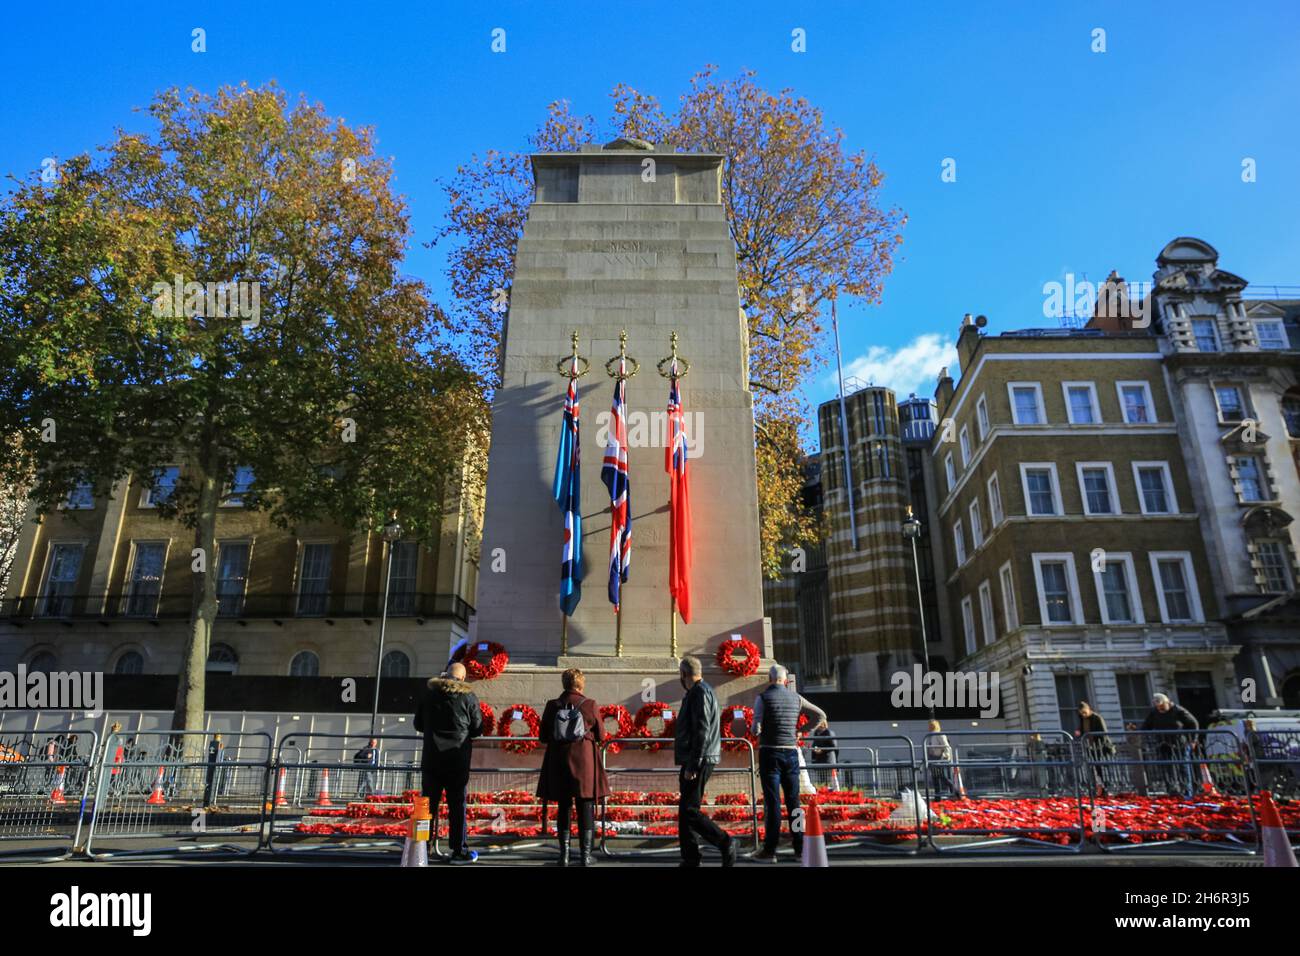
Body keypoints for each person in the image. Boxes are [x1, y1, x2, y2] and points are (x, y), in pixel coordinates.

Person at [750, 664, 829, 862]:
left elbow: (756, 727)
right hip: (791, 753)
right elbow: (820, 715)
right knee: (794, 803)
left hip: (770, 752)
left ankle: (769, 850)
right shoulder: (796, 698)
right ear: (785, 680)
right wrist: (802, 730)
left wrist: (756, 730)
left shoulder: (763, 698)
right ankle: (799, 848)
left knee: (773, 803)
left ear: (769, 679)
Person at [537, 668, 611, 866]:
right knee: (585, 805)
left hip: (558, 760)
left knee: (564, 806)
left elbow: (543, 736)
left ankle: (564, 855)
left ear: (564, 683)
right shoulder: (590, 704)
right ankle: (586, 856)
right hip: (584, 761)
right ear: (580, 684)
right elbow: (602, 736)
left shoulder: (553, 705)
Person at [413, 661, 483, 864]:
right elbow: (478, 728)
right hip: (457, 760)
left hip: (431, 759)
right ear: (462, 678)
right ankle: (458, 850)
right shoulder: (468, 696)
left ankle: (421, 849)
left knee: (427, 806)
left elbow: (418, 724)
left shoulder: (429, 694)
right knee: (457, 805)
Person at [674, 655, 735, 867]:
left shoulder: (699, 693)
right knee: (685, 811)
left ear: (684, 674)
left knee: (690, 811)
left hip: (699, 758)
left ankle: (724, 841)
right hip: (697, 756)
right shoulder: (698, 692)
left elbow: (702, 730)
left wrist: (693, 764)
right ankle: (690, 858)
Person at [1140, 693, 1199, 796]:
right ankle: (1171, 790)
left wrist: (1193, 739)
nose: (1160, 709)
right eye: (1158, 707)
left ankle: (1187, 791)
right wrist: (1136, 731)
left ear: (1167, 703)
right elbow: (1146, 726)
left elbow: (1193, 723)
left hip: (1179, 743)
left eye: (1162, 706)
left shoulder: (1178, 710)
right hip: (1163, 743)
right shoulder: (1154, 713)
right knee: (1167, 767)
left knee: (1183, 767)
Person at [1076, 701, 1115, 795]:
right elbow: (1082, 730)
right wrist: (1079, 733)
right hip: (1089, 747)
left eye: (1085, 712)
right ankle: (1096, 789)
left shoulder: (1097, 718)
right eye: (1081, 713)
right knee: (1091, 769)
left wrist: (1099, 746)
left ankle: (1105, 789)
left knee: (1101, 769)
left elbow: (1104, 733)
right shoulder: (1082, 719)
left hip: (1099, 747)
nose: (1083, 715)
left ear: (1089, 710)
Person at [927, 719, 956, 797]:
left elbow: (946, 746)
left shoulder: (939, 734)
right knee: (936, 777)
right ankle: (938, 796)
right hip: (934, 758)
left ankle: (955, 791)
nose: (929, 727)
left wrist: (944, 757)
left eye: (931, 725)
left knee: (941, 776)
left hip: (939, 758)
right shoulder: (932, 735)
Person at [810, 722, 840, 790]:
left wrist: (822, 750)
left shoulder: (829, 732)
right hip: (819, 761)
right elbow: (814, 744)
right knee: (822, 781)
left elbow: (834, 746)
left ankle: (831, 795)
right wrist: (815, 750)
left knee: (829, 780)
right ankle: (824, 794)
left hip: (828, 760)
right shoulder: (816, 733)